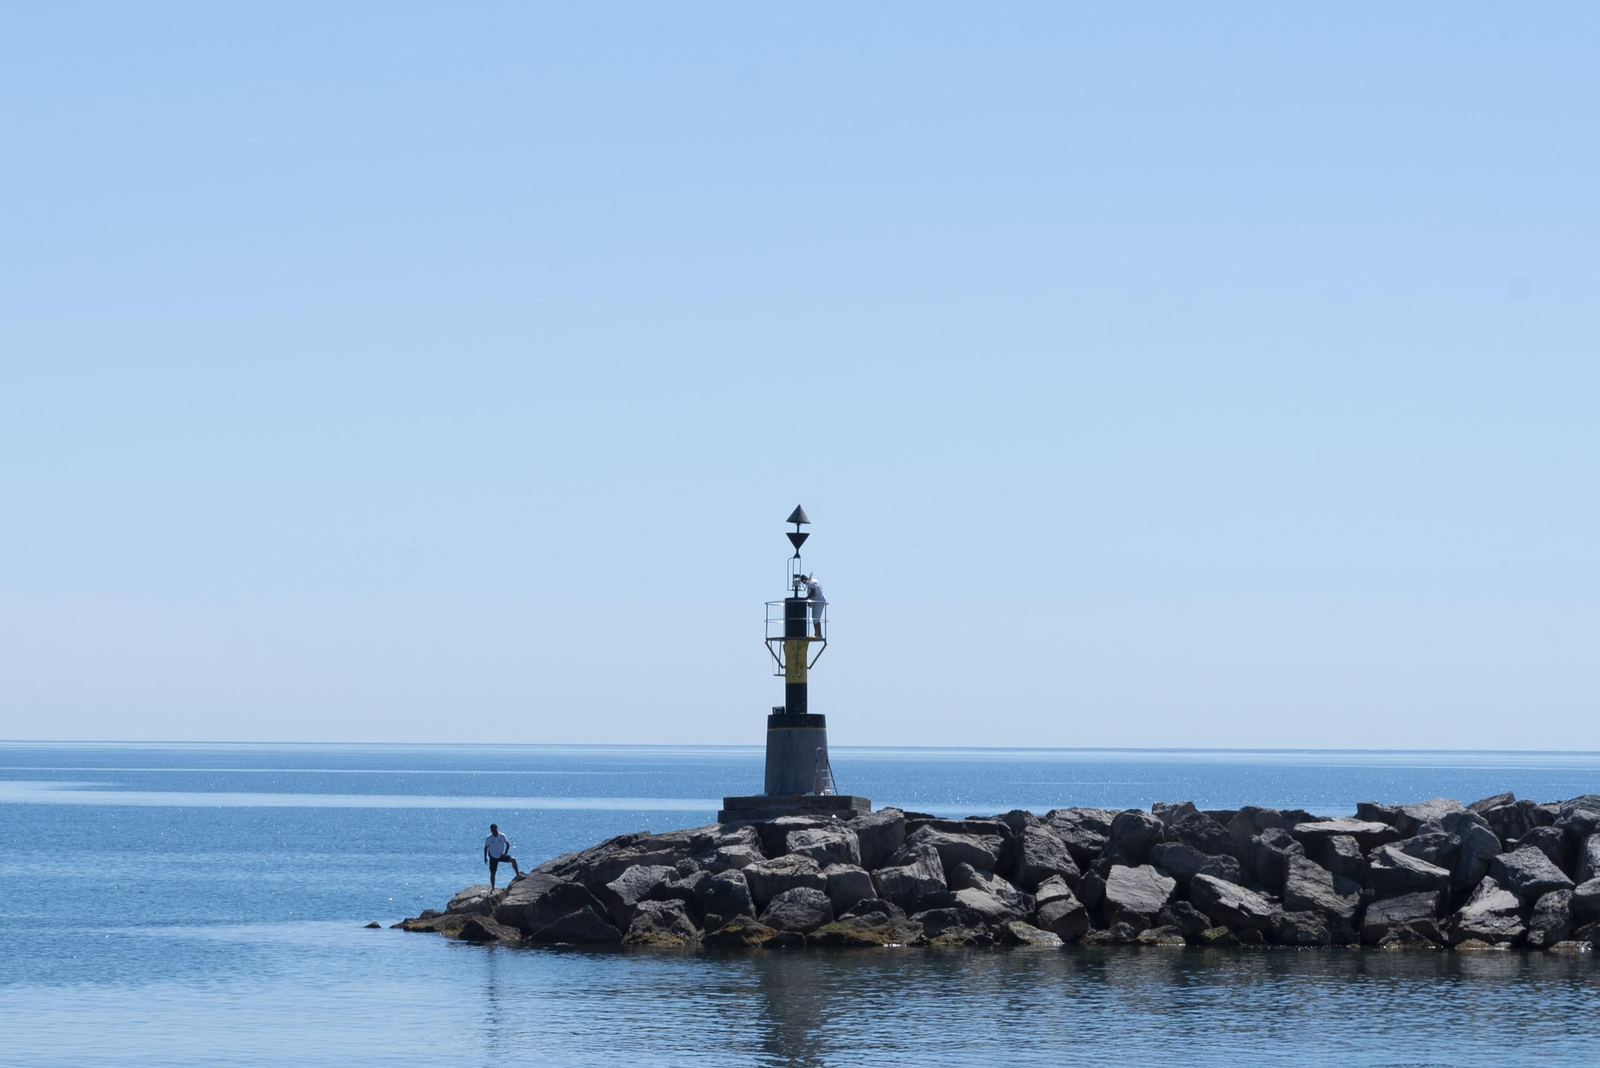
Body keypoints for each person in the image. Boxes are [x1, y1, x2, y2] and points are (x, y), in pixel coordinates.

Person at [482, 823, 522, 889]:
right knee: (492, 873)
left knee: (513, 860)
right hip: (493, 857)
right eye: (492, 830)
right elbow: (486, 847)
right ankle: (493, 888)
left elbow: (508, 844)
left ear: (497, 829)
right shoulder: (488, 838)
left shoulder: (502, 836)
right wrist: (485, 857)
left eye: (494, 830)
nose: (493, 832)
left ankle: (518, 875)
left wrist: (505, 853)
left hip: (501, 855)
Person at [801, 574, 826, 638]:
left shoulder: (810, 582)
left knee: (816, 618)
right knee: (814, 618)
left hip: (818, 601)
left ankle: (819, 634)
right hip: (816, 602)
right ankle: (816, 633)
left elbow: (813, 592)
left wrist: (806, 598)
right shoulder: (812, 581)